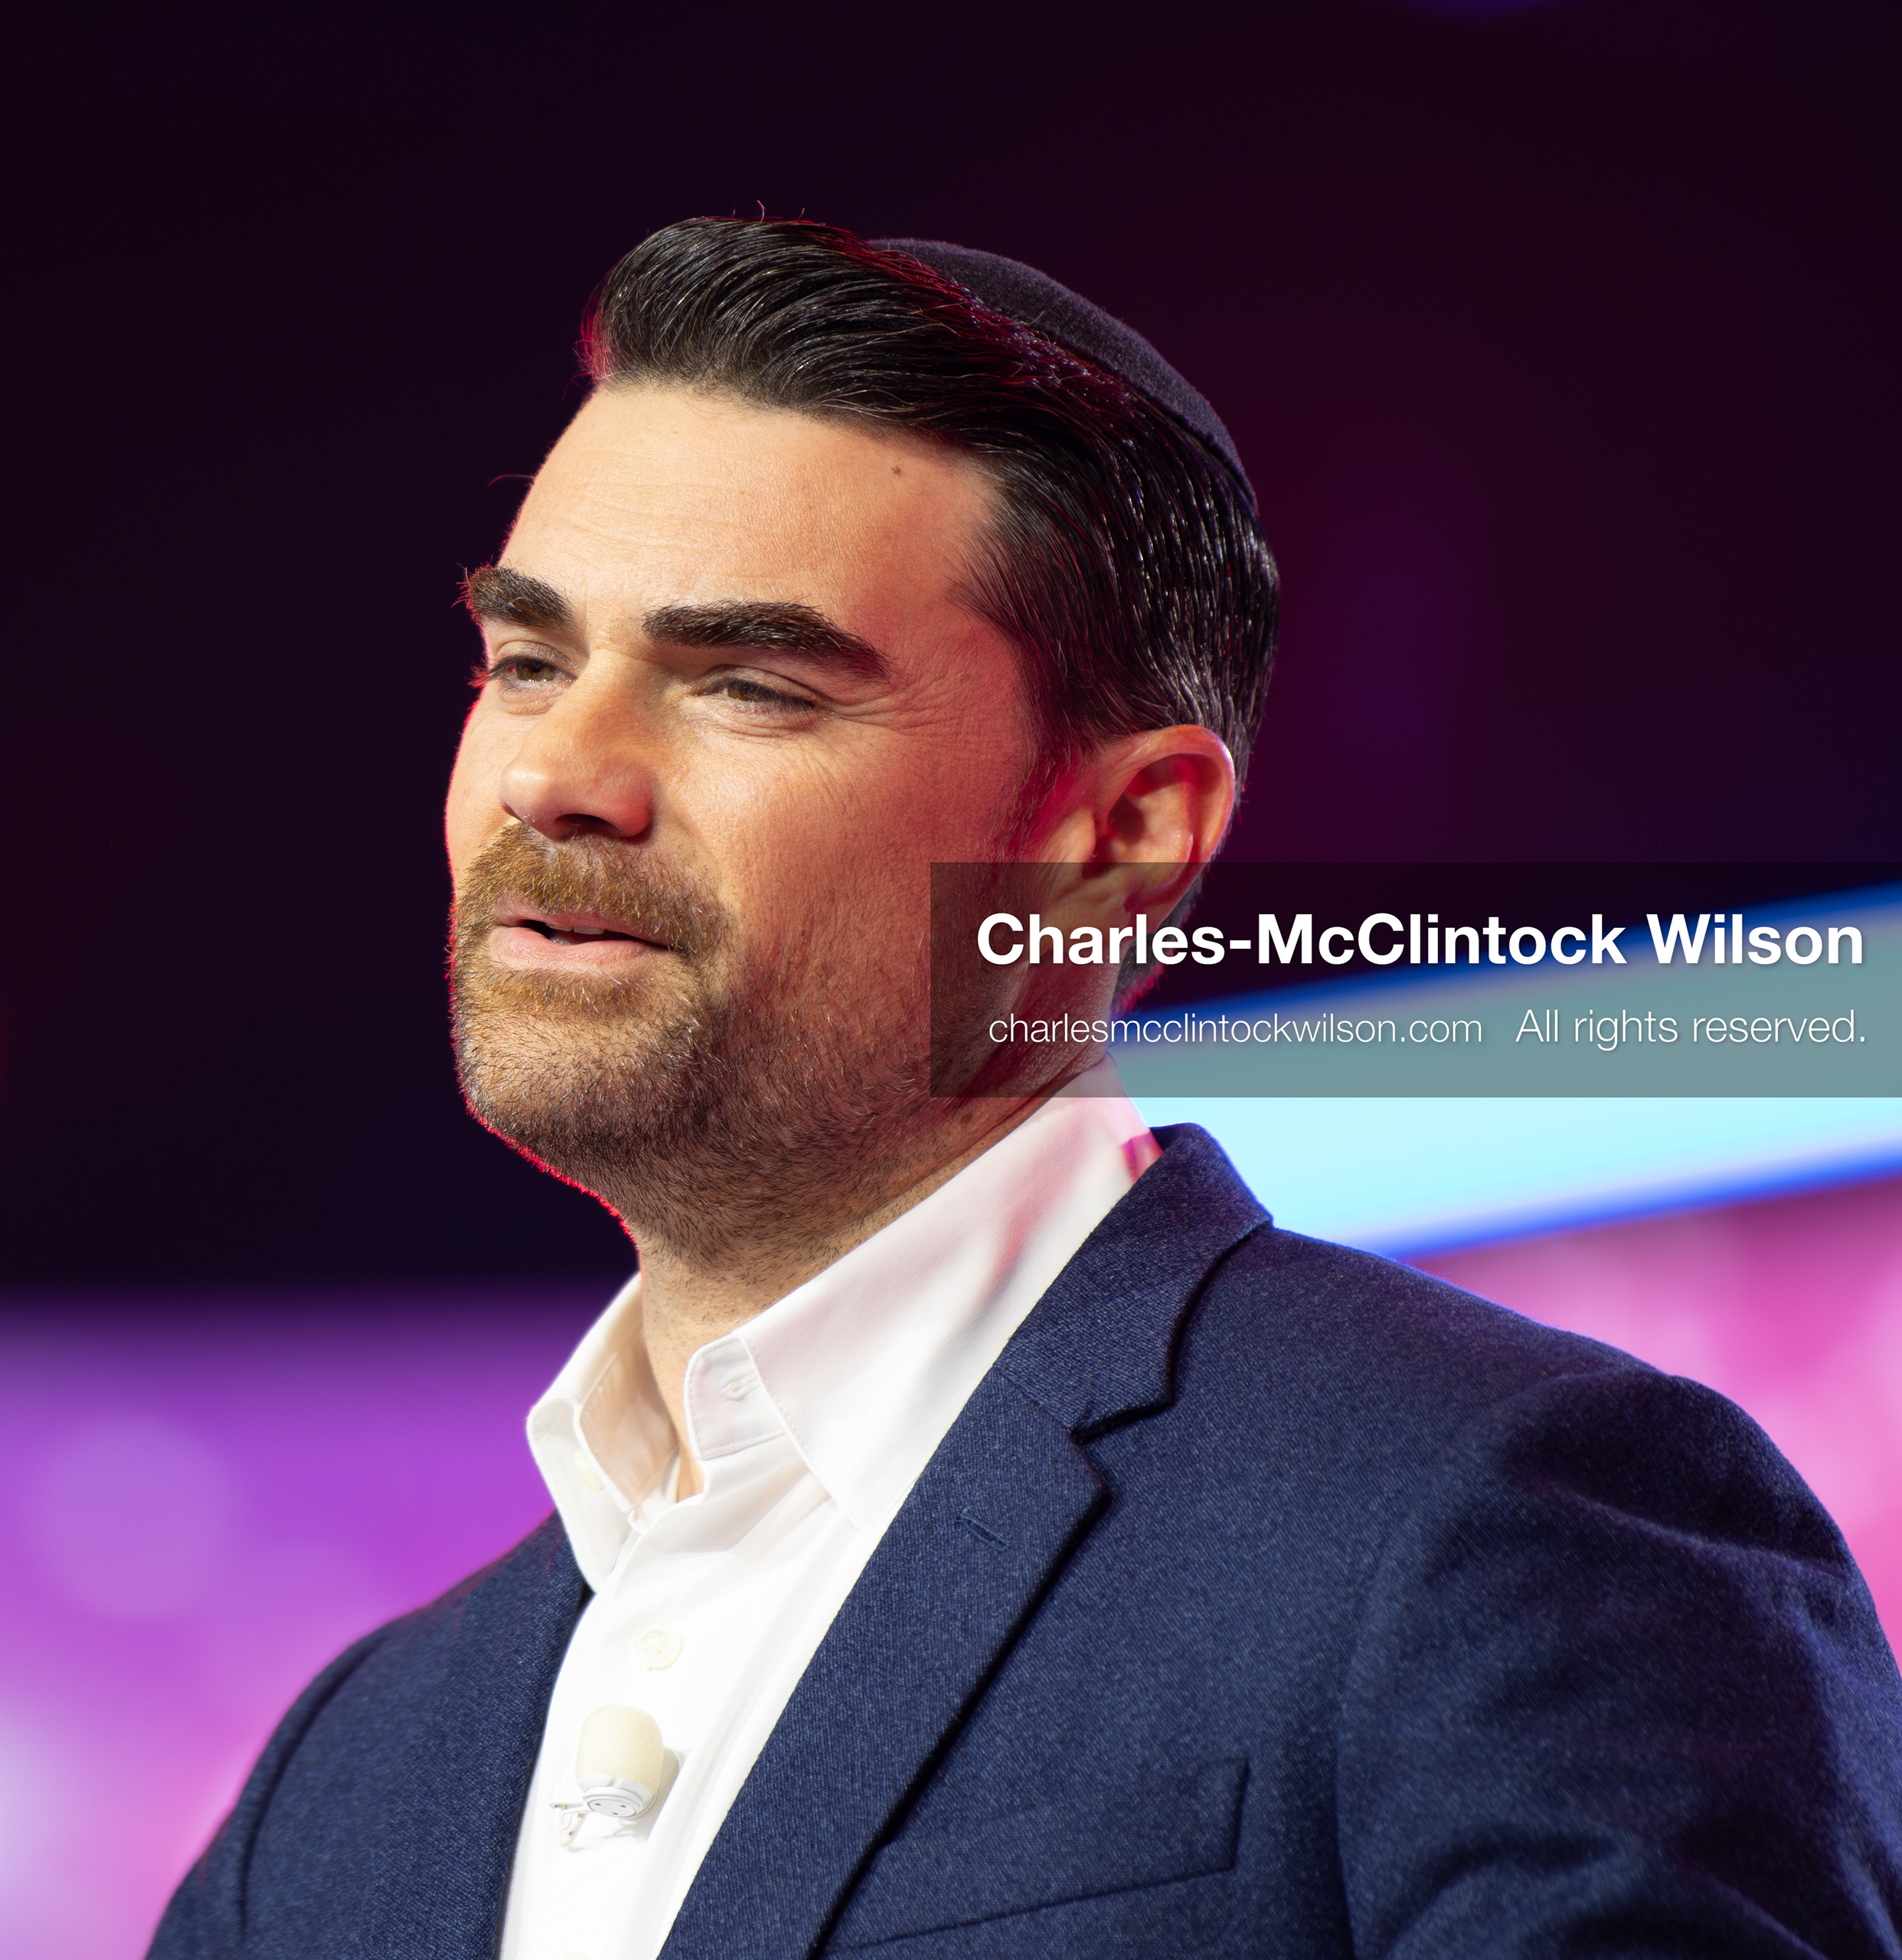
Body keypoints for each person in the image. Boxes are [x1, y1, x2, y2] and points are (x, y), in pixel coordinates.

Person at [148, 217, 1902, 1958]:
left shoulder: (1502, 1522)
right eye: (528, 660)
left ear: (1119, 834)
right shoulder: (345, 1781)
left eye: (749, 685)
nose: (558, 771)